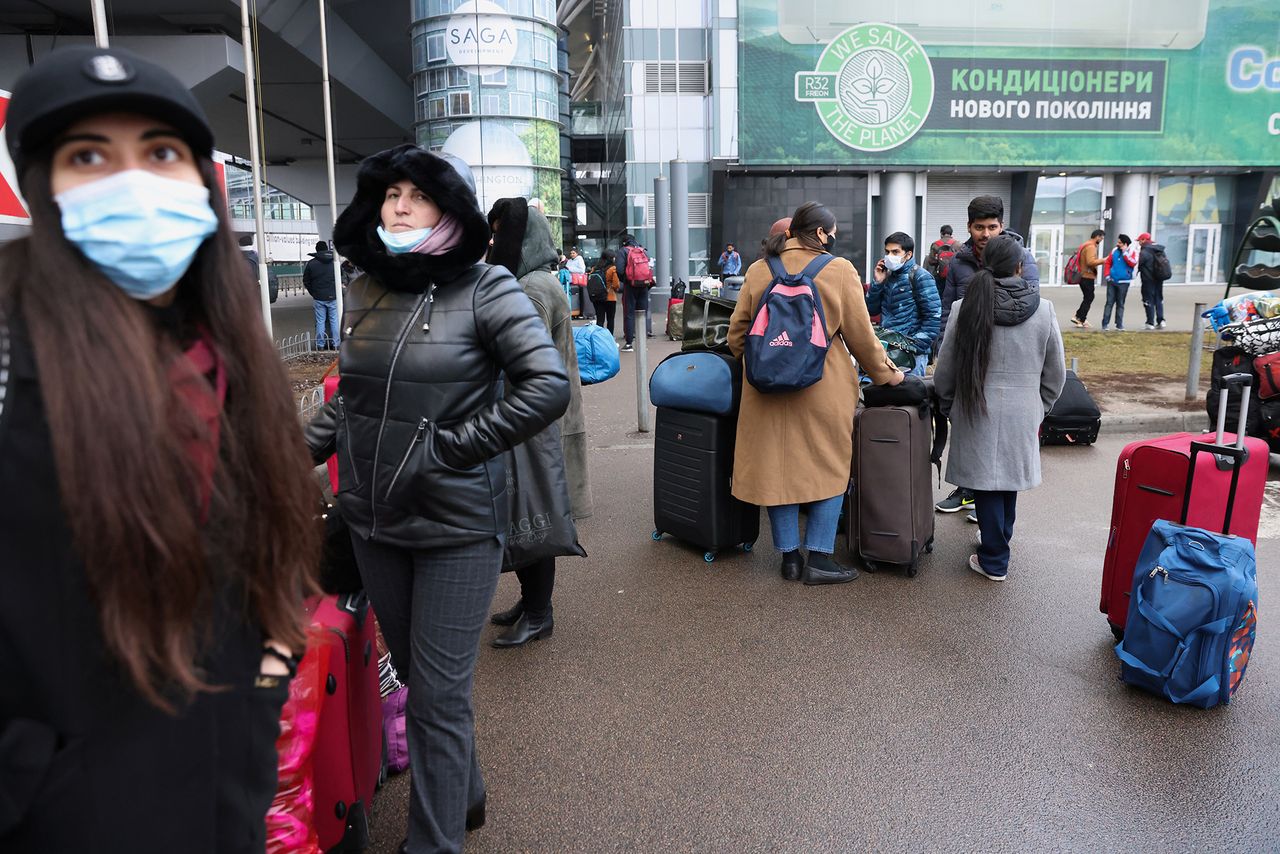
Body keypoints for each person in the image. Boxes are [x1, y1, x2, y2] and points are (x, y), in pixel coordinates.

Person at [0, 45, 319, 851]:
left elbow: (272, 554)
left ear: (202, 184)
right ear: (44, 189)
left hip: (222, 798)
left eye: (162, 152)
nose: (132, 182)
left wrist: (267, 679)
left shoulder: (229, 355)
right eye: (88, 156)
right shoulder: (11, 355)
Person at [304, 143, 569, 852]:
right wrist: (292, 455)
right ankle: (466, 796)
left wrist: (449, 449)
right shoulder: (363, 288)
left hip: (457, 523)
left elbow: (547, 385)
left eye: (416, 195)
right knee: (424, 682)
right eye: (390, 193)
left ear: (450, 209)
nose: (398, 204)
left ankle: (435, 841)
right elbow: (351, 402)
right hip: (372, 517)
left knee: (440, 697)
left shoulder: (488, 287)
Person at [727, 201, 904, 585]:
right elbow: (862, 337)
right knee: (829, 466)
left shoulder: (759, 270)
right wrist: (888, 375)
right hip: (824, 388)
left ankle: (789, 558)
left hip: (765, 391)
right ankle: (820, 559)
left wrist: (766, 362)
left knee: (777, 468)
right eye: (832, 232)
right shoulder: (839, 270)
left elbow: (736, 335)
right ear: (822, 233)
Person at [485, 197, 592, 647]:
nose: (491, 242)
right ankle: (530, 602)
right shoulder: (539, 281)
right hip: (540, 418)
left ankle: (539, 613)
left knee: (535, 516)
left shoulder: (529, 290)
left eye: (497, 233)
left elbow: (514, 360)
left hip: (534, 423)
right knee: (529, 513)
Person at [933, 234, 1065, 581]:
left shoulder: (966, 307)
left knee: (987, 482)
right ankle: (998, 540)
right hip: (1024, 406)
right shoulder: (1045, 309)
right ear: (1020, 266)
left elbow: (945, 366)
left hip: (976, 404)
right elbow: (1056, 371)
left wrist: (948, 404)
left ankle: (994, 558)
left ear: (984, 263)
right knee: (1006, 480)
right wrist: (1040, 406)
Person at [936, 194, 1041, 516]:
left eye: (992, 227)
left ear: (1001, 226)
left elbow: (1031, 306)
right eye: (979, 227)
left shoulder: (1021, 258)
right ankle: (969, 490)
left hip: (1007, 364)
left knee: (1001, 449)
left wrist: (1037, 403)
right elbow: (948, 307)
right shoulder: (959, 261)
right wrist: (941, 346)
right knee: (973, 440)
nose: (985, 234)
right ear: (969, 227)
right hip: (970, 362)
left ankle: (990, 512)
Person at [867, 231, 941, 376]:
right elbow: (871, 310)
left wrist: (915, 347)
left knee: (908, 396)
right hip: (888, 350)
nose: (890, 256)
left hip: (911, 355)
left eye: (895, 252)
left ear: (908, 255)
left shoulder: (921, 277)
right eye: (887, 252)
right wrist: (877, 283)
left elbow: (933, 317)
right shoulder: (887, 276)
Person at [616, 234, 652, 350]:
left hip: (630, 286)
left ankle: (629, 343)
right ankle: (643, 344)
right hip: (644, 286)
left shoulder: (623, 251)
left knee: (629, 314)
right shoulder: (643, 251)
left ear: (624, 242)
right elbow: (649, 268)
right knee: (643, 313)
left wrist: (627, 281)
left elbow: (620, 270)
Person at [304, 239, 339, 349]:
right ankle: (336, 344)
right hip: (333, 296)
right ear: (327, 249)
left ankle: (320, 345)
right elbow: (340, 278)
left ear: (316, 250)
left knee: (320, 321)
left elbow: (306, 281)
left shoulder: (311, 264)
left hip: (318, 297)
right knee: (334, 321)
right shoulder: (335, 262)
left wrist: (313, 292)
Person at [1102, 233, 1139, 332]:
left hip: (1124, 282)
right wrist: (1107, 275)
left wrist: (1125, 253)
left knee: (1120, 303)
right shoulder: (1114, 251)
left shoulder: (1133, 252)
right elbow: (1108, 262)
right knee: (1109, 302)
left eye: (1120, 243)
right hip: (1112, 281)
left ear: (1125, 244)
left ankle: (1119, 324)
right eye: (1118, 242)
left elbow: (1133, 263)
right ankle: (1105, 324)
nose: (1118, 244)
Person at [1070, 229, 1107, 329]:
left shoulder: (1085, 244)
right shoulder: (1091, 246)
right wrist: (1104, 260)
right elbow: (1090, 262)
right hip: (1087, 276)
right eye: (1101, 238)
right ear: (1097, 236)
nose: (1102, 240)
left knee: (1088, 297)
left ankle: (1080, 317)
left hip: (1084, 275)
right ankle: (1080, 318)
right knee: (1089, 297)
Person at [1137, 232, 1170, 330]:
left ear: (1143, 240)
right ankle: (1161, 321)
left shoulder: (1144, 252)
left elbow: (1138, 264)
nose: (1138, 243)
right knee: (1159, 299)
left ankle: (1150, 322)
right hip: (1159, 278)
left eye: (1139, 240)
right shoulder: (1159, 250)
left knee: (1148, 300)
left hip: (1148, 280)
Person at [239, 234, 279, 303]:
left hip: (245, 298)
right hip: (260, 295)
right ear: (252, 243)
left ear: (239, 244)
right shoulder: (259, 257)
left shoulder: (236, 259)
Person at [588, 249, 618, 335]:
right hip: (610, 297)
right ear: (611, 258)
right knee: (610, 320)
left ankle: (599, 339)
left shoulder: (595, 268)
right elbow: (616, 285)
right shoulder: (612, 269)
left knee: (600, 320)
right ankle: (609, 338)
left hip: (597, 297)